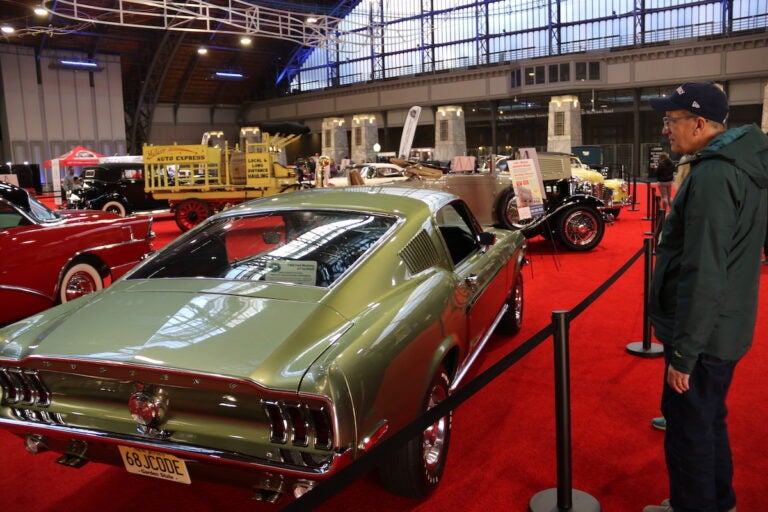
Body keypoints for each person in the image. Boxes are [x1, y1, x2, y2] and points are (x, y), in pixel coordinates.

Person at [644, 82, 768, 512]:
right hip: (726, 324)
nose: (666, 130)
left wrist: (685, 354)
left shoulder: (716, 174)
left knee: (688, 429)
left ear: (698, 123)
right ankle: (720, 501)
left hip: (705, 332)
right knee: (709, 418)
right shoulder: (741, 163)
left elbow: (704, 271)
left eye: (670, 120)